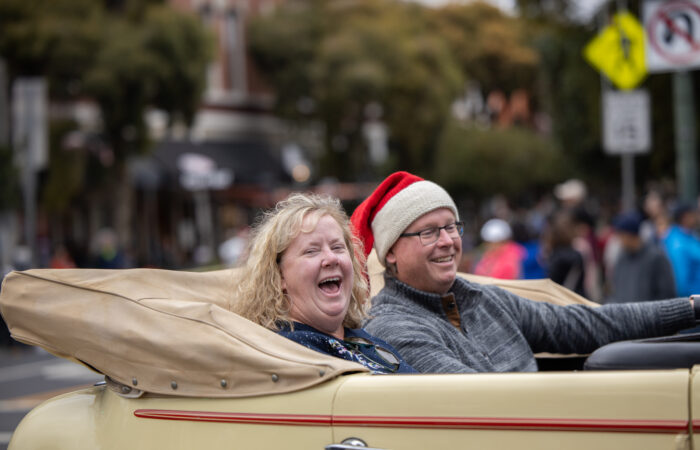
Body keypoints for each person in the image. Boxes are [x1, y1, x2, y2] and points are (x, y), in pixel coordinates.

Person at [350, 171, 700, 374]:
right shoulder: (392, 326)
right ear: (391, 252)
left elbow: (589, 324)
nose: (447, 242)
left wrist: (691, 309)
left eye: (451, 227)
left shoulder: (483, 298)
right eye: (428, 232)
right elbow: (477, 402)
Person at [233, 193, 415, 374]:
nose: (331, 258)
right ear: (279, 276)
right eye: (311, 251)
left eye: (337, 247)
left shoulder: (359, 337)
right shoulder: (289, 353)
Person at [607, 211, 676, 303]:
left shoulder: (656, 257)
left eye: (621, 236)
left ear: (630, 235)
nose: (618, 241)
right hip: (623, 315)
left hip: (649, 316)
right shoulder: (621, 258)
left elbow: (667, 294)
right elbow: (616, 290)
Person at [662, 202, 700, 297]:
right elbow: (681, 280)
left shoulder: (690, 236)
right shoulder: (677, 243)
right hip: (691, 302)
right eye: (694, 214)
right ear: (685, 217)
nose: (696, 217)